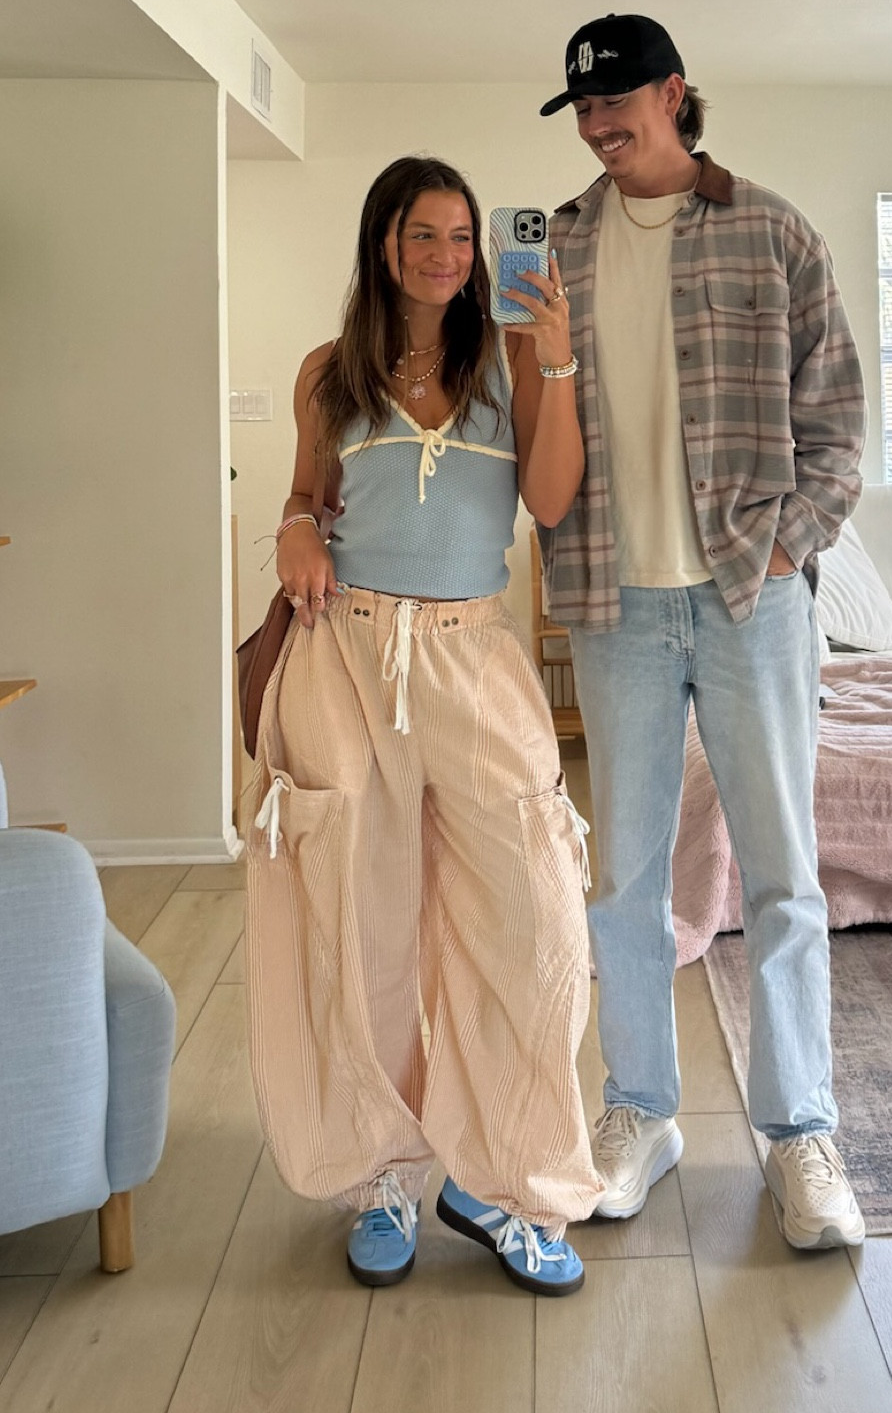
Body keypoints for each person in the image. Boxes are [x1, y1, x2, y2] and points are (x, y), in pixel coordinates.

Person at [244, 155, 602, 1297]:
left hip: (473, 652)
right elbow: (308, 499)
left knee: (533, 918)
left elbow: (547, 502)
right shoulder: (328, 372)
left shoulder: (510, 361)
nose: (446, 255)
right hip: (344, 652)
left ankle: (508, 1181)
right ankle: (383, 1168)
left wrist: (556, 353)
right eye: (423, 234)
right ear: (383, 244)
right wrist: (297, 527)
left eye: (461, 235)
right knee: (360, 914)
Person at [537, 14, 868, 1250]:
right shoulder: (553, 250)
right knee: (620, 877)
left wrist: (788, 544)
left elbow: (836, 422)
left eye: (618, 97)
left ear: (677, 93)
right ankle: (640, 1110)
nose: (598, 121)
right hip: (613, 601)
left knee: (783, 875)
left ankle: (800, 1135)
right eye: (581, 105)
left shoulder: (771, 230)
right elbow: (525, 423)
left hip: (751, 595)